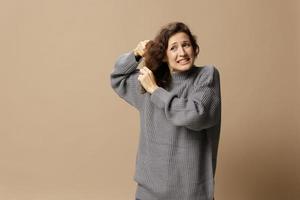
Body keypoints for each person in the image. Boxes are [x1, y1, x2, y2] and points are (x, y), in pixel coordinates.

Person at [110, 22, 221, 200]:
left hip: (191, 195)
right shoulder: (150, 81)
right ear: (164, 55)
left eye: (186, 45)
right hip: (149, 194)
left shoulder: (206, 76)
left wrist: (155, 91)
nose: (182, 53)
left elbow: (196, 114)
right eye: (173, 48)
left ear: (194, 48)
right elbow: (117, 77)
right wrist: (135, 55)